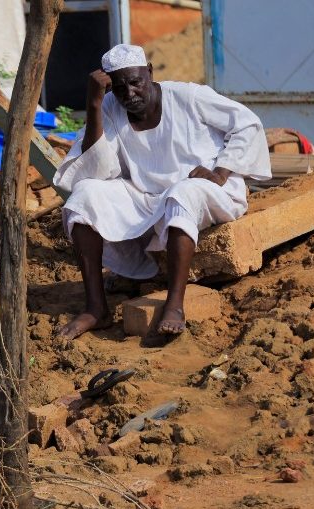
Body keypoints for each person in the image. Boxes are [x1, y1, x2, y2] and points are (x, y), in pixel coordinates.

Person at [53, 44, 271, 341]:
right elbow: (96, 168)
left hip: (205, 188)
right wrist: (93, 104)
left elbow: (247, 123)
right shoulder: (110, 107)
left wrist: (221, 171)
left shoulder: (189, 97)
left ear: (150, 72)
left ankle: (174, 304)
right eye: (119, 88)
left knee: (180, 193)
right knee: (83, 197)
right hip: (147, 196)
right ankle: (96, 308)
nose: (129, 93)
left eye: (135, 82)